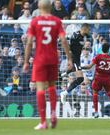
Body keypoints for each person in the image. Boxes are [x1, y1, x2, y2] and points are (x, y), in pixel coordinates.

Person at [23, 0, 72, 130]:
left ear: (39, 7)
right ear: (51, 7)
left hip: (39, 59)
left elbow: (28, 43)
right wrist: (69, 58)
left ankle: (43, 121)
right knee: (51, 87)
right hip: (53, 58)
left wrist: (26, 61)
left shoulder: (34, 21)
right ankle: (54, 114)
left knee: (40, 89)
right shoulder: (56, 21)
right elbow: (63, 40)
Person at [81, 43, 110, 118]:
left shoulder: (98, 57)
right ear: (108, 50)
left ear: (101, 49)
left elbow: (89, 67)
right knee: (109, 92)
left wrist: (81, 67)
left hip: (98, 77)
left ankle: (96, 112)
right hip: (107, 78)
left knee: (95, 93)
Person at [60, 23, 90, 104]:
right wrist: (70, 59)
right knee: (80, 79)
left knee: (75, 71)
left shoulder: (85, 36)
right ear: (84, 29)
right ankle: (64, 93)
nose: (89, 31)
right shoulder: (75, 36)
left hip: (78, 58)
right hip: (74, 57)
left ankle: (65, 73)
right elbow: (68, 47)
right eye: (88, 29)